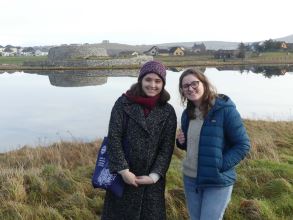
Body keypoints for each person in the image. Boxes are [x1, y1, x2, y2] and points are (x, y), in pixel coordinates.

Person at [101, 60, 177, 220]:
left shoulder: (168, 111)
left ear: (163, 84)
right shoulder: (122, 103)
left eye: (158, 81)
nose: (152, 85)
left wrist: (155, 176)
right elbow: (114, 138)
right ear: (141, 80)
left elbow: (167, 147)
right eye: (148, 79)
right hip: (123, 179)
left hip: (151, 183)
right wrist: (123, 171)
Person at [176, 68, 250, 220]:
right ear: (182, 91)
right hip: (190, 178)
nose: (190, 88)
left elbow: (242, 145)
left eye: (194, 83)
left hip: (217, 180)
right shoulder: (187, 114)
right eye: (185, 86)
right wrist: (181, 142)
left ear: (204, 83)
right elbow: (193, 144)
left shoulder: (224, 110)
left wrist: (219, 165)